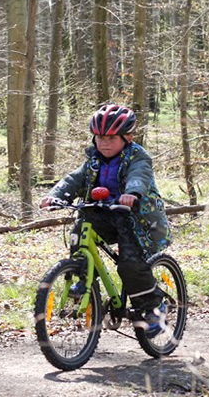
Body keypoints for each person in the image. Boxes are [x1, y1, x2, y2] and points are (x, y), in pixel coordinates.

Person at [40, 104, 172, 336]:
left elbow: (138, 176)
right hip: (102, 213)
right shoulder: (93, 160)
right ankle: (83, 279)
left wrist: (132, 194)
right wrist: (56, 195)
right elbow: (74, 180)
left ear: (128, 137)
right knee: (78, 234)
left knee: (129, 264)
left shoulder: (138, 157)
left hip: (135, 219)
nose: (104, 143)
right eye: (100, 137)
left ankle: (154, 307)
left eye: (111, 138)